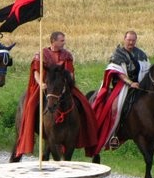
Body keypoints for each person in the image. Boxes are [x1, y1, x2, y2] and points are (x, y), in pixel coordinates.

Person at [13, 31, 98, 159]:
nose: (64, 42)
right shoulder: (41, 54)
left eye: (64, 40)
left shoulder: (67, 55)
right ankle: (28, 128)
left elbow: (70, 72)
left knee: (84, 105)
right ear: (53, 41)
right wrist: (40, 83)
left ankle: (85, 133)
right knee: (30, 105)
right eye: (62, 40)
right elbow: (36, 72)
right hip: (45, 85)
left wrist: (68, 82)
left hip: (63, 86)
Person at [91, 30, 153, 154]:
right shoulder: (117, 54)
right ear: (124, 39)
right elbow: (117, 72)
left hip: (139, 86)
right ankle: (114, 133)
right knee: (115, 108)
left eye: (133, 40)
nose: (131, 42)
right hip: (122, 86)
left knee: (151, 104)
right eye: (129, 40)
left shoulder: (140, 54)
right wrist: (130, 83)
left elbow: (147, 69)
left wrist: (142, 84)